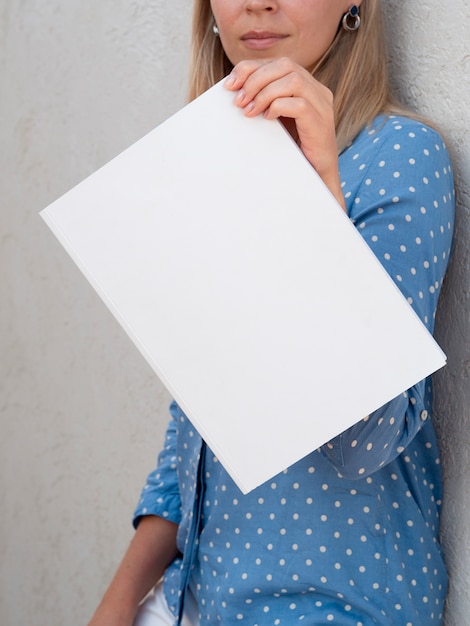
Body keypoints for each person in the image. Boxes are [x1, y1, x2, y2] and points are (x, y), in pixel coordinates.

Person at [87, 1, 455, 625]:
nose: (259, 1)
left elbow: (368, 438)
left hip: (333, 608)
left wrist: (319, 202)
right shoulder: (209, 174)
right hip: (192, 598)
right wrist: (119, 604)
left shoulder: (399, 157)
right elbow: (196, 427)